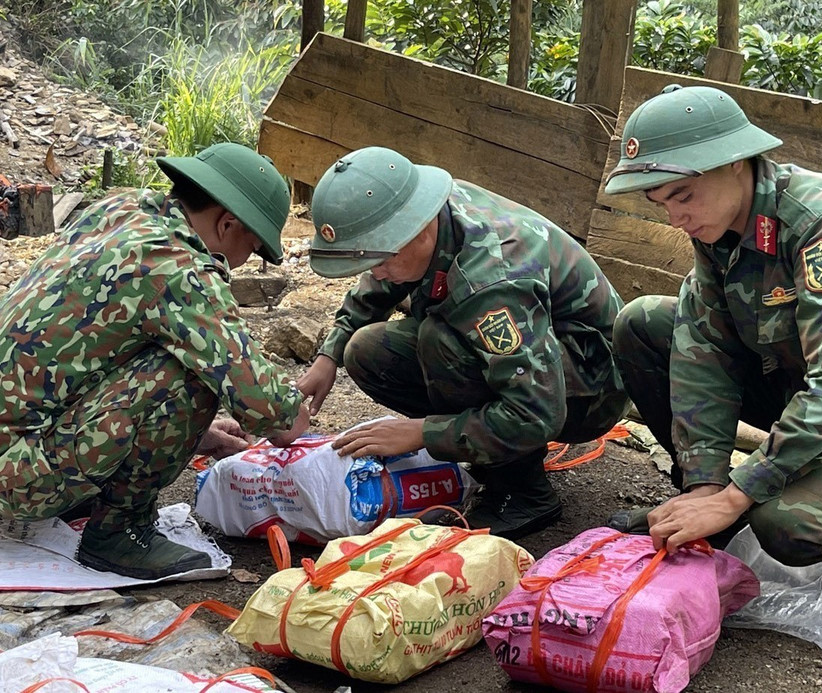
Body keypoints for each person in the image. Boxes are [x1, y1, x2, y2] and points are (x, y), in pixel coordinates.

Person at [604, 84, 822, 585]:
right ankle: (706, 502)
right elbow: (703, 350)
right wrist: (707, 485)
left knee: (786, 526)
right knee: (645, 324)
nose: (675, 217)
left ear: (735, 162)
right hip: (801, 377)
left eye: (683, 195)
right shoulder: (717, 225)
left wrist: (739, 496)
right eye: (660, 202)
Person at [0, 142, 309, 580]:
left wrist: (193, 437)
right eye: (254, 247)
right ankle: (121, 531)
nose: (243, 262)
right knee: (192, 371)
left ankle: (86, 489)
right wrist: (300, 411)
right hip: (15, 477)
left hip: (15, 439)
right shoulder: (180, 270)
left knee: (174, 348)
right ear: (227, 223)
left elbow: (91, 350)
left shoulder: (119, 209)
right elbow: (270, 410)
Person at [298, 146, 629, 539]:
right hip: (542, 361)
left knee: (441, 342)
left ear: (417, 232)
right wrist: (329, 354)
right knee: (367, 351)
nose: (377, 274)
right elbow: (378, 278)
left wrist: (423, 433)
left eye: (381, 261)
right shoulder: (423, 211)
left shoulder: (490, 281)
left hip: (591, 389)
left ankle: (523, 493)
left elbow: (535, 413)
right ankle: (491, 455)